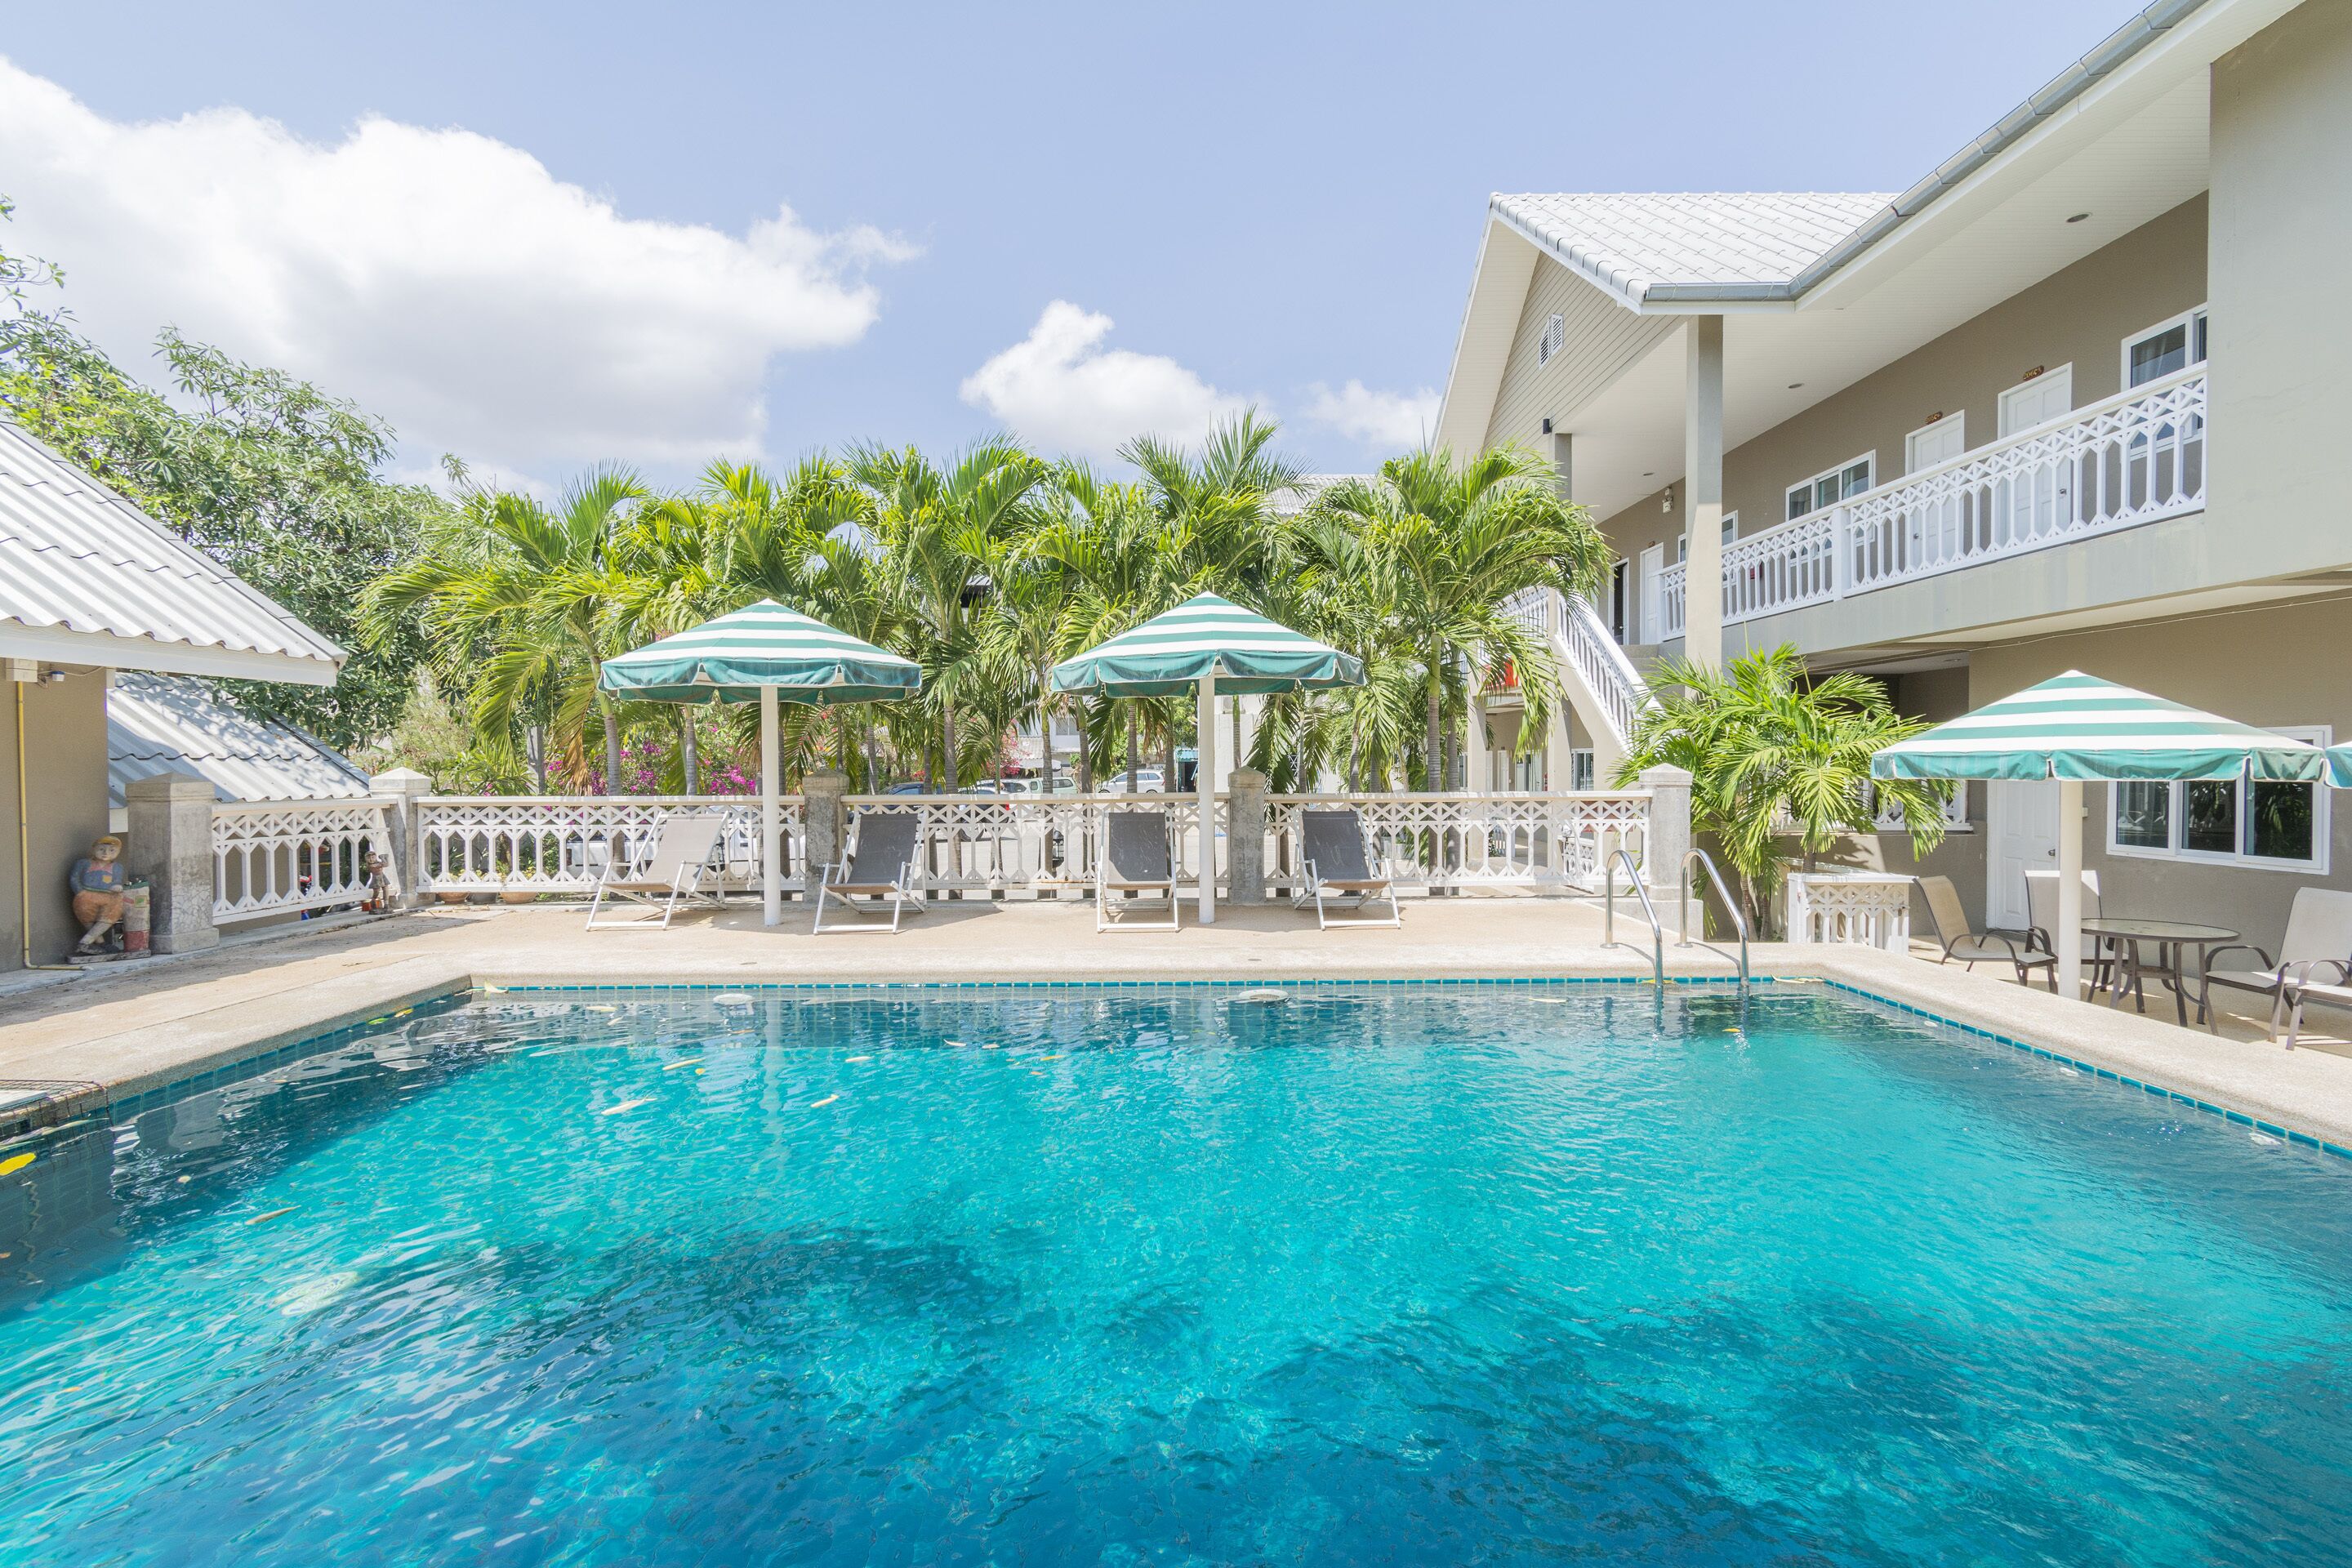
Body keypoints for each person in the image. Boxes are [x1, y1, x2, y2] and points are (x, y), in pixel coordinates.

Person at [70, 834, 127, 954]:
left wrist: (118, 887)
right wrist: (80, 892)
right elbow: (74, 879)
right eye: (101, 849)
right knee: (88, 918)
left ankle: (85, 942)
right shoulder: (83, 863)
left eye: (112, 850)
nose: (106, 853)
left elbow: (117, 881)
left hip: (109, 896)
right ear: (94, 849)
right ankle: (101, 944)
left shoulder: (117, 867)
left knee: (111, 913)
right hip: (87, 894)